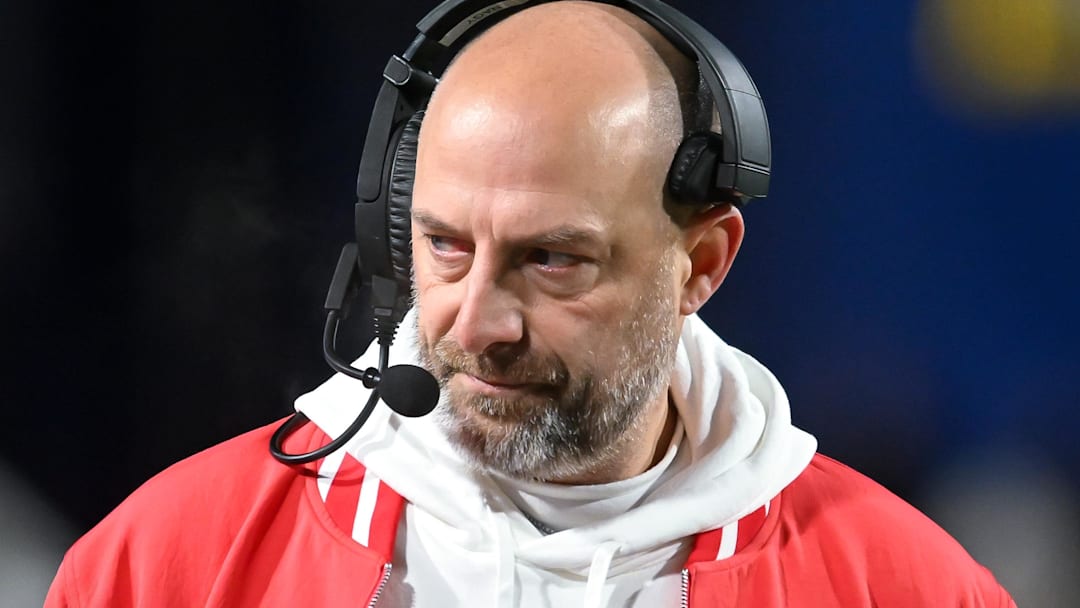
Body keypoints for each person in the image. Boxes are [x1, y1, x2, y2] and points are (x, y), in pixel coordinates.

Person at [46, 2, 1015, 607]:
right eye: (445, 245)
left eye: (551, 260)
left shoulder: (909, 587)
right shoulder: (164, 566)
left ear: (702, 261)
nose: (474, 321)